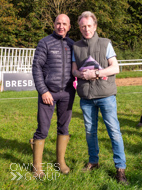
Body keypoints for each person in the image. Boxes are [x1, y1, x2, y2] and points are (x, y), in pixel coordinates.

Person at [72, 11, 128, 184]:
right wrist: (80, 74)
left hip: (106, 95)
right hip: (86, 97)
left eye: (89, 26)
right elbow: (73, 70)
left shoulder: (106, 43)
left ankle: (120, 168)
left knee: (114, 132)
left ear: (95, 26)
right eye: (83, 26)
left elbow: (115, 68)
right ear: (80, 28)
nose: (86, 29)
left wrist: (95, 73)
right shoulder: (76, 47)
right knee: (90, 132)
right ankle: (93, 162)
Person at [29, 14, 75, 178]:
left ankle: (60, 162)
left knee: (64, 128)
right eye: (58, 23)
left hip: (68, 93)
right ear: (54, 24)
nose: (61, 26)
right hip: (48, 93)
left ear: (69, 26)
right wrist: (43, 91)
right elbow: (36, 68)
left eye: (64, 24)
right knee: (43, 129)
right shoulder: (45, 42)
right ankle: (37, 167)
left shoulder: (72, 45)